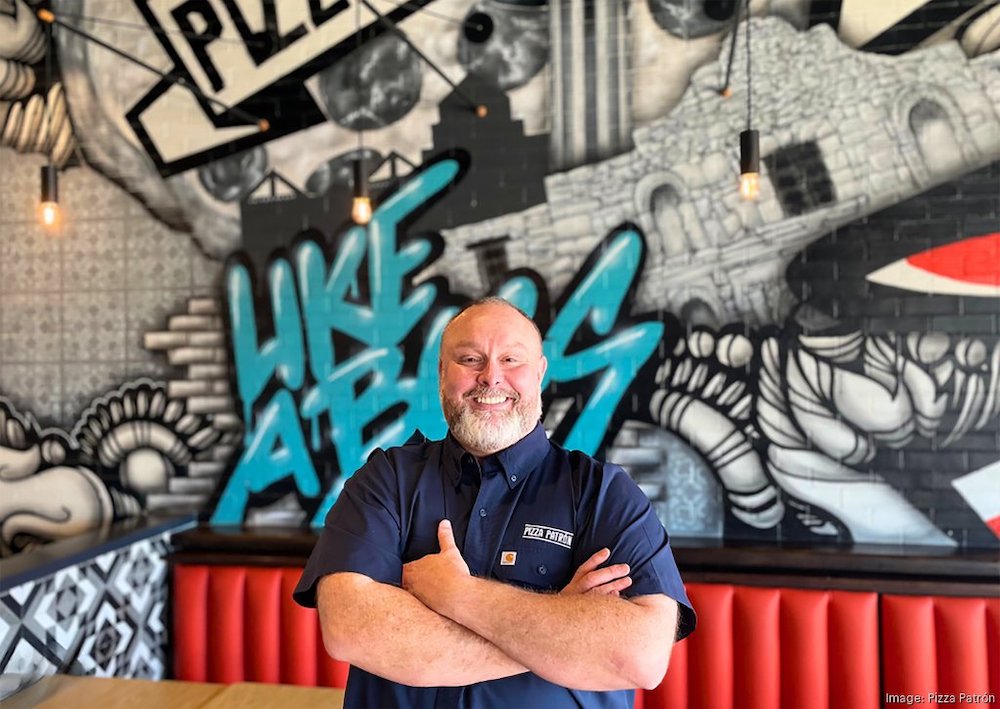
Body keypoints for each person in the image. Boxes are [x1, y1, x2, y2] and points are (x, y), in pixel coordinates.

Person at [294, 297, 696, 707]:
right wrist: (560, 632)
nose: (491, 378)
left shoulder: (604, 494)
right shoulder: (387, 480)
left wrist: (458, 595)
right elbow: (350, 629)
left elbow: (640, 656)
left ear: (539, 373)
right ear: (441, 374)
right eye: (470, 359)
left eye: (511, 360)